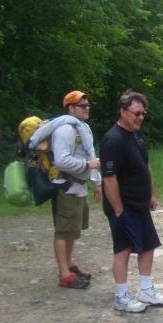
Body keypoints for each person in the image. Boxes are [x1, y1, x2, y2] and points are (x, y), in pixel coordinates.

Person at [100, 90, 163, 313]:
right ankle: (121, 296)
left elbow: (145, 166)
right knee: (123, 249)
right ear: (123, 111)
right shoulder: (112, 140)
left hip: (140, 204)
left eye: (143, 114)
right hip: (123, 206)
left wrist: (152, 193)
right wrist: (118, 208)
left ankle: (145, 290)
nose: (140, 117)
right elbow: (109, 178)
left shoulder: (136, 135)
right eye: (136, 113)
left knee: (148, 246)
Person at [51, 90, 102, 289]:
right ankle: (64, 275)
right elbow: (61, 160)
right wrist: (87, 166)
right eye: (83, 106)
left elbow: (91, 154)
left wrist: (96, 182)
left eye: (88, 105)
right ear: (71, 109)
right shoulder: (64, 130)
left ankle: (69, 266)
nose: (87, 108)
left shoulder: (83, 128)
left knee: (73, 229)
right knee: (63, 231)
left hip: (78, 187)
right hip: (66, 187)